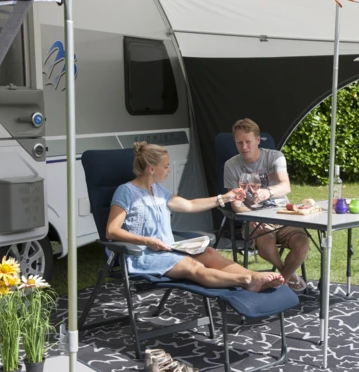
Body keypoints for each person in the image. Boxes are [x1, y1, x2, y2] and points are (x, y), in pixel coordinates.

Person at [106, 141, 285, 292]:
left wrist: (224, 197)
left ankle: (253, 275)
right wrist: (147, 241)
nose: (169, 170)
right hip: (142, 255)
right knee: (193, 266)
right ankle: (247, 281)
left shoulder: (158, 190)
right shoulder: (126, 192)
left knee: (209, 253)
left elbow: (190, 205)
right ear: (152, 169)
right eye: (166, 166)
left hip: (167, 250)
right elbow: (111, 231)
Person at [224, 118, 309, 293]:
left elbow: (285, 186)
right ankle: (287, 276)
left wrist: (268, 192)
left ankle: (281, 281)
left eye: (248, 141)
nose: (244, 147)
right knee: (264, 239)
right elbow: (236, 204)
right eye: (239, 142)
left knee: (302, 243)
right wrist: (252, 217)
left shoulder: (275, 157)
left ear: (257, 140)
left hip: (281, 214)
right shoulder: (231, 166)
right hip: (255, 218)